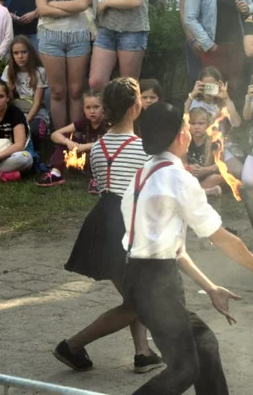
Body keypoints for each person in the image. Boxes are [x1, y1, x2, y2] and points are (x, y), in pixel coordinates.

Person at [120, 100, 253, 395]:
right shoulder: (177, 178)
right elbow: (219, 237)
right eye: (185, 126)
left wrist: (210, 288)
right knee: (185, 370)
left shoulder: (144, 173)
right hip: (156, 283)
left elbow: (173, 250)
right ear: (180, 136)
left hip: (142, 277)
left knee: (205, 347)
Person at [55, 77, 164, 375]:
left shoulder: (100, 146)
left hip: (103, 220)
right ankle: (73, 345)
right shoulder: (143, 149)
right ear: (134, 107)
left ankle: (142, 353)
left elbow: (105, 185)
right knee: (140, 302)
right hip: (127, 223)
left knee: (133, 296)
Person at [34, 0, 91, 131]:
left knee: (76, 90)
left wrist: (55, 4)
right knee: (58, 91)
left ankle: (75, 136)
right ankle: (60, 139)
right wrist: (71, 5)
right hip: (50, 36)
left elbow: (84, 4)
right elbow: (42, 9)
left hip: (78, 36)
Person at [184, 0, 253, 101]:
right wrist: (207, 43)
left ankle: (235, 123)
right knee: (212, 89)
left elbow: (252, 6)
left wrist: (247, 8)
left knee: (236, 87)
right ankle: (211, 122)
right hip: (213, 47)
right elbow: (189, 18)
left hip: (236, 44)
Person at [38, 90, 107, 187]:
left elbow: (110, 143)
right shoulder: (84, 121)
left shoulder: (108, 123)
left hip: (101, 161)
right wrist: (68, 142)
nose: (92, 111)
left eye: (96, 107)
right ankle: (55, 174)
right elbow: (55, 134)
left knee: (104, 148)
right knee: (65, 138)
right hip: (83, 160)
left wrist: (83, 147)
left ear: (103, 108)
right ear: (83, 109)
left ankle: (98, 180)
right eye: (88, 107)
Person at [184, 66, 243, 175]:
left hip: (219, 145)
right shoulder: (195, 102)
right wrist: (192, 95)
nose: (209, 90)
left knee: (238, 170)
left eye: (212, 86)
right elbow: (183, 118)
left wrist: (226, 99)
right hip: (200, 144)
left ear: (219, 85)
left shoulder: (223, 103)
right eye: (205, 86)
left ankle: (213, 174)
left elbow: (236, 123)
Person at [2, 35, 49, 144]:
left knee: (35, 131)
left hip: (35, 113)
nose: (20, 56)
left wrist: (24, 122)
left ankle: (35, 154)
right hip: (16, 111)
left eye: (24, 52)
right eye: (16, 53)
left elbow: (37, 103)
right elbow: (7, 99)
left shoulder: (39, 72)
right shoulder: (8, 70)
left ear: (30, 53)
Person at [186, 107, 225, 195]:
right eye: (193, 123)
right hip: (190, 175)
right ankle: (206, 191)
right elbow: (180, 162)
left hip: (207, 175)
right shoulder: (186, 140)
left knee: (219, 177)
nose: (196, 127)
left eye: (201, 123)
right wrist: (189, 168)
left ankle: (194, 191)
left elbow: (220, 166)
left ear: (208, 125)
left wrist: (205, 170)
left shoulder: (214, 141)